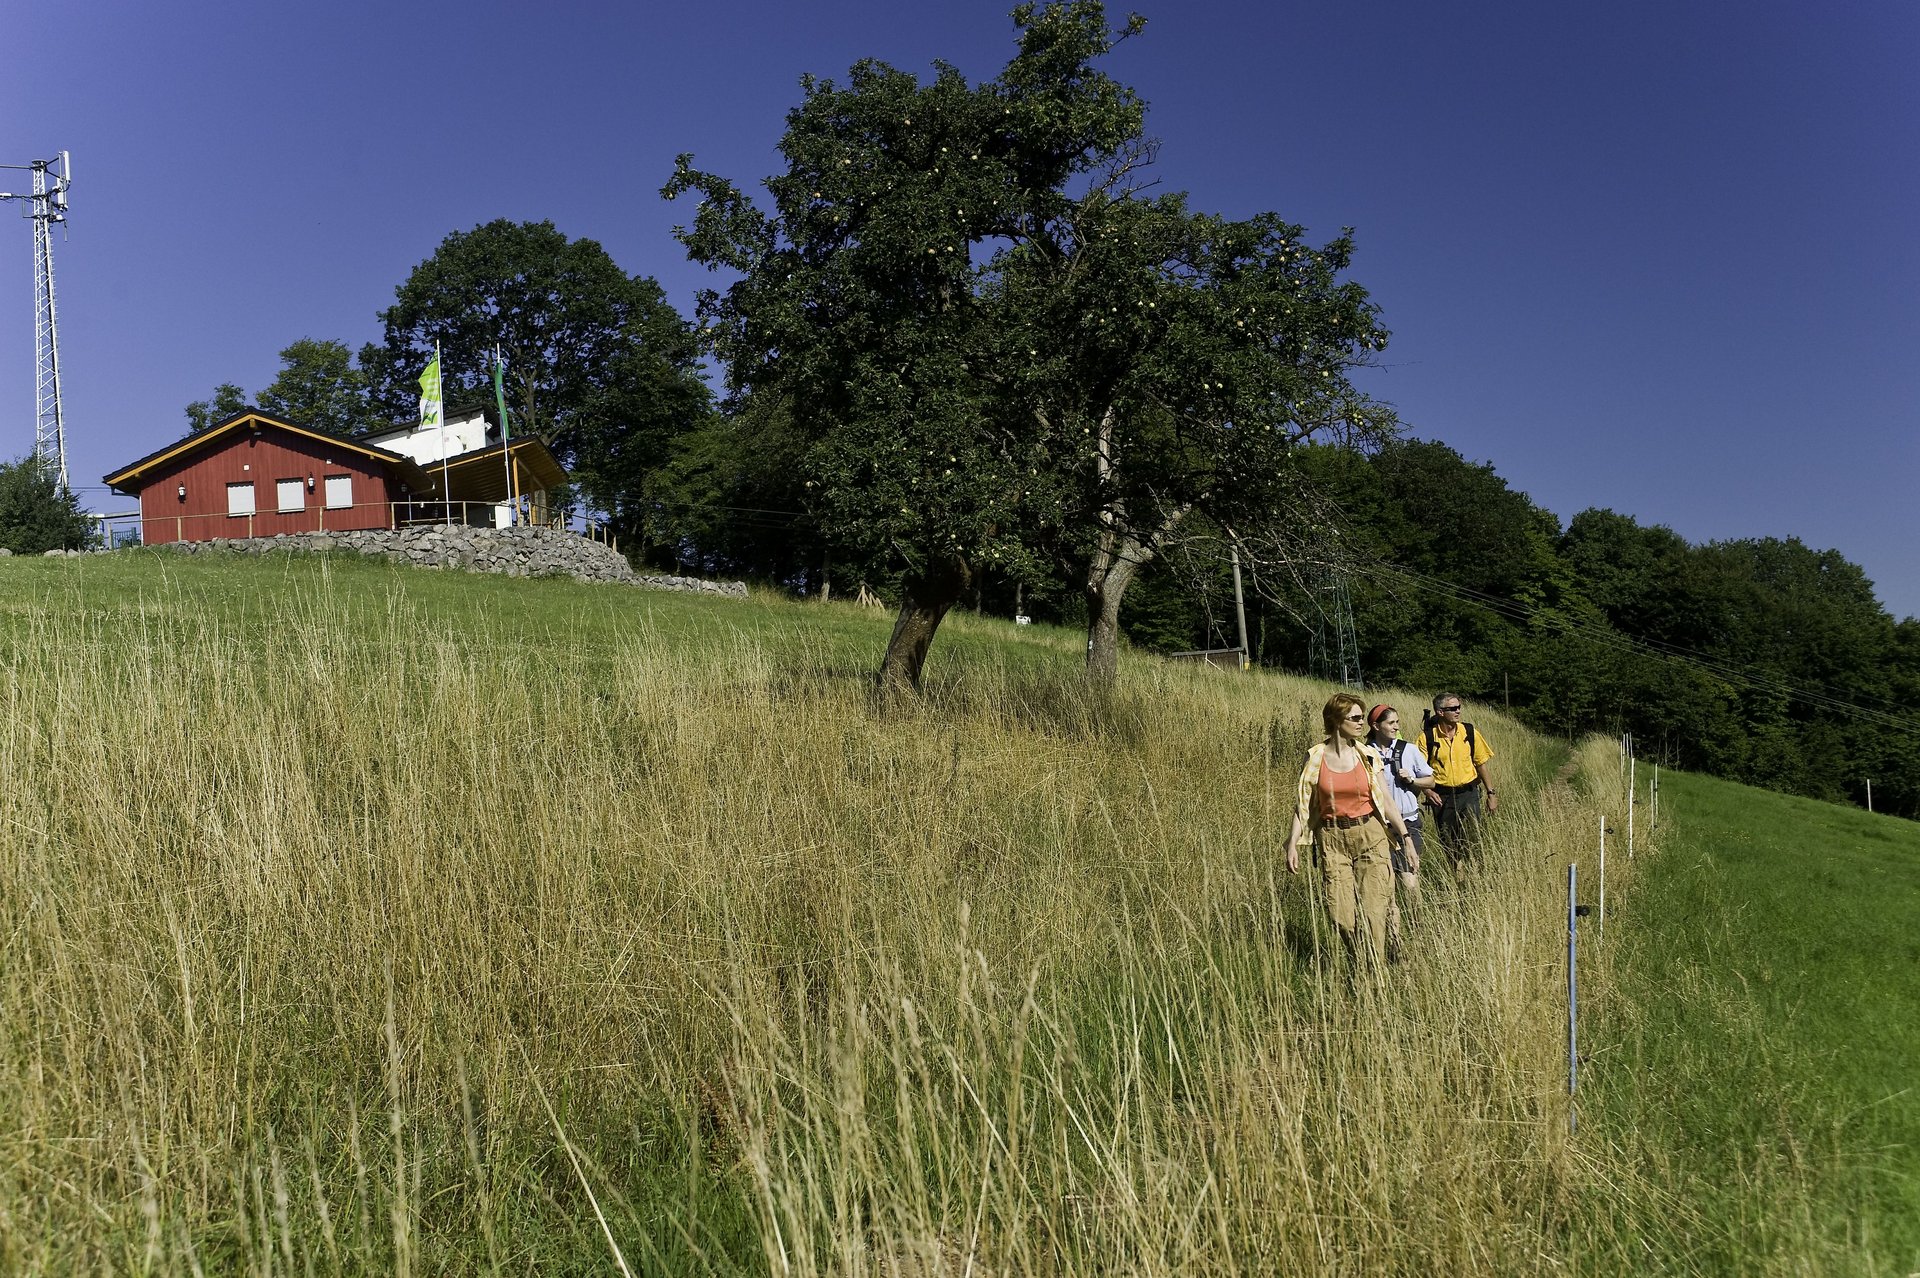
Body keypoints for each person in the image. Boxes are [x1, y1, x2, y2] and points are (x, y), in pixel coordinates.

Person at [1284, 692, 1412, 966]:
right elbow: (1304, 806)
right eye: (1354, 718)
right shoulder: (1315, 758)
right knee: (1340, 916)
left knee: (1374, 911)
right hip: (1332, 839)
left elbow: (1386, 800)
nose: (1361, 723)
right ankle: (1359, 955)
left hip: (1370, 834)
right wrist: (1292, 843)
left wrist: (1405, 836)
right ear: (1335, 720)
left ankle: (1374, 972)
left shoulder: (1367, 756)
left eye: (1362, 718)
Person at [1367, 704, 1434, 932]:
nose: (1396, 726)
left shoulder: (1409, 750)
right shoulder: (1366, 753)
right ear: (1376, 726)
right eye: (1391, 723)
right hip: (1379, 826)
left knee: (1410, 882)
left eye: (1397, 722)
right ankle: (1395, 939)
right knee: (1388, 888)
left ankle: (1418, 929)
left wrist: (1412, 781)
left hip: (1408, 822)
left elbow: (1431, 781)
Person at [1420, 692, 1497, 882]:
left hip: (1469, 794)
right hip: (1442, 797)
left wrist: (1491, 793)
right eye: (1452, 708)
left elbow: (1481, 764)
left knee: (1473, 837)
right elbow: (1419, 770)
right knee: (1448, 840)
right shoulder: (1426, 738)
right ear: (1439, 712)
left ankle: (1478, 878)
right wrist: (1428, 791)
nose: (1458, 711)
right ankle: (1457, 879)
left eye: (1459, 707)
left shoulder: (1469, 732)